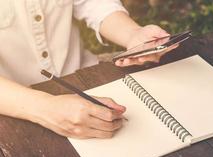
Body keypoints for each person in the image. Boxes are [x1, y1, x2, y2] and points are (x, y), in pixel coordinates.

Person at [0, 0, 171, 139]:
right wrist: (45, 107)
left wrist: (133, 34)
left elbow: (94, 4)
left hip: (87, 79)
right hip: (16, 106)